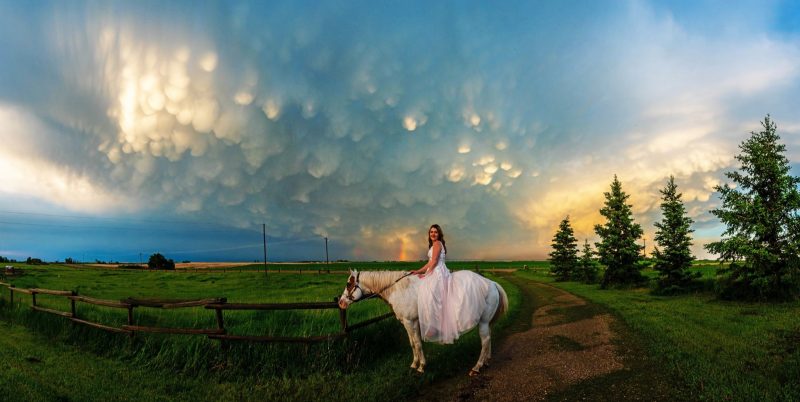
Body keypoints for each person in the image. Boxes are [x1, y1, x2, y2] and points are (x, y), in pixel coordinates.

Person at [411, 224, 460, 344]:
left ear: (439, 234)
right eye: (431, 232)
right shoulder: (433, 245)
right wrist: (418, 271)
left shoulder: (437, 243)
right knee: (427, 296)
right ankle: (433, 325)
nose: (433, 234)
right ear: (429, 234)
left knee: (432, 297)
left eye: (435, 232)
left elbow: (434, 262)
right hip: (434, 269)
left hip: (438, 273)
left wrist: (426, 275)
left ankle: (435, 327)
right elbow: (429, 263)